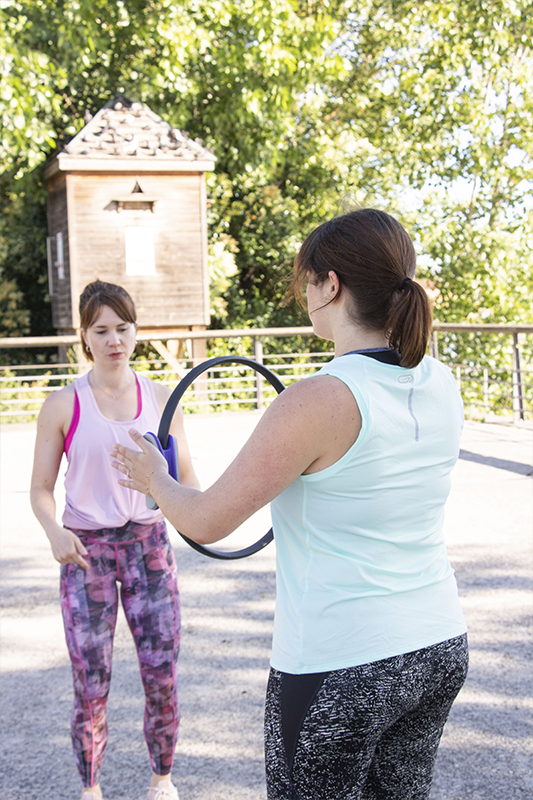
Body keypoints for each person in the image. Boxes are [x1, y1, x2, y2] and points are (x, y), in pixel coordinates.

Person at [111, 209, 469, 800]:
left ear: (332, 285)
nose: (304, 292)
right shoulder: (441, 382)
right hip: (437, 647)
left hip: (342, 659)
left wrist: (155, 478)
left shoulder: (318, 399)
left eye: (307, 279)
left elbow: (207, 520)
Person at [31, 280, 199, 800]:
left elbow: (189, 481)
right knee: (91, 680)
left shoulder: (160, 398)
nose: (114, 340)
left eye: (123, 328)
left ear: (135, 330)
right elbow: (39, 490)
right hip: (88, 553)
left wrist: (191, 511)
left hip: (149, 546)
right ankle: (91, 789)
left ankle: (162, 780)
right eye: (101, 330)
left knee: (162, 674)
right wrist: (54, 531)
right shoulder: (63, 405)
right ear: (84, 335)